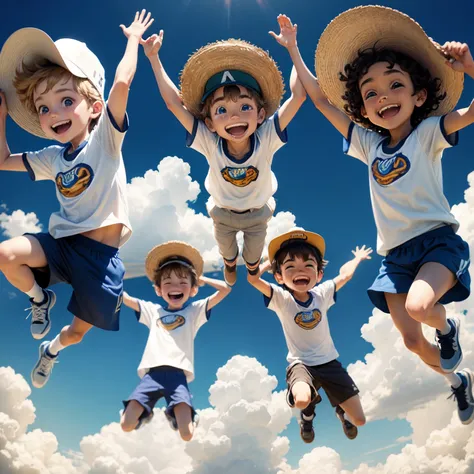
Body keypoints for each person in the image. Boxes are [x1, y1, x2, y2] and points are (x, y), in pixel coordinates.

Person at [271, 6, 474, 424]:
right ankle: (459, 383)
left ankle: (448, 328)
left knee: (420, 307)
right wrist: (293, 49)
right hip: (396, 258)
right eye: (370, 92)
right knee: (413, 343)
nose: (382, 96)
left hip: (436, 242)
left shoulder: (430, 132)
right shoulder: (369, 146)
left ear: (418, 96)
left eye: (395, 85)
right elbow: (321, 98)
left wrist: (469, 67)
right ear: (362, 108)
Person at [0, 10, 154, 388]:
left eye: (66, 100)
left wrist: (133, 38)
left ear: (95, 108)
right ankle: (40, 299)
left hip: (101, 264)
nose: (54, 113)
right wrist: (1, 115)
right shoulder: (53, 158)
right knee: (5, 255)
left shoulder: (105, 141)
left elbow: (121, 82)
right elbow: (3, 161)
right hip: (63, 246)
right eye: (43, 108)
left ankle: (51, 351)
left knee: (76, 333)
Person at [141, 29, 306, 286]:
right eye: (222, 110)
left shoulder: (268, 137)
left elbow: (298, 96)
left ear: (261, 116)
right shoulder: (209, 140)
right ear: (209, 123)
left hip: (257, 214)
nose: (234, 116)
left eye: (245, 107)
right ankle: (231, 263)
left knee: (253, 256)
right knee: (228, 252)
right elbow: (175, 104)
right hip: (223, 213)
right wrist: (153, 58)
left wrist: (293, 49)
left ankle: (251, 268)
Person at [248, 227, 372, 442]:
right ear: (279, 276)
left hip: (329, 363)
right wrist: (271, 261)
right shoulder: (281, 299)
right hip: (301, 364)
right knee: (302, 399)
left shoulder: (321, 294)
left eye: (308, 265)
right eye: (290, 267)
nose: (300, 271)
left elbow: (346, 275)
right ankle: (307, 417)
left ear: (319, 273)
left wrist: (358, 259)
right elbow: (253, 279)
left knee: (360, 420)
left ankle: (342, 412)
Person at [120, 241, 231, 441]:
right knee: (126, 425)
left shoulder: (194, 311)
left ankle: (181, 417)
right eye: (168, 283)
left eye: (183, 283)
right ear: (159, 290)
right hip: (151, 375)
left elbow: (225, 289)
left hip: (178, 376)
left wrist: (201, 278)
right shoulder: (153, 311)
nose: (175, 287)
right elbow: (124, 297)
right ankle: (146, 413)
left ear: (193, 289)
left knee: (187, 434)